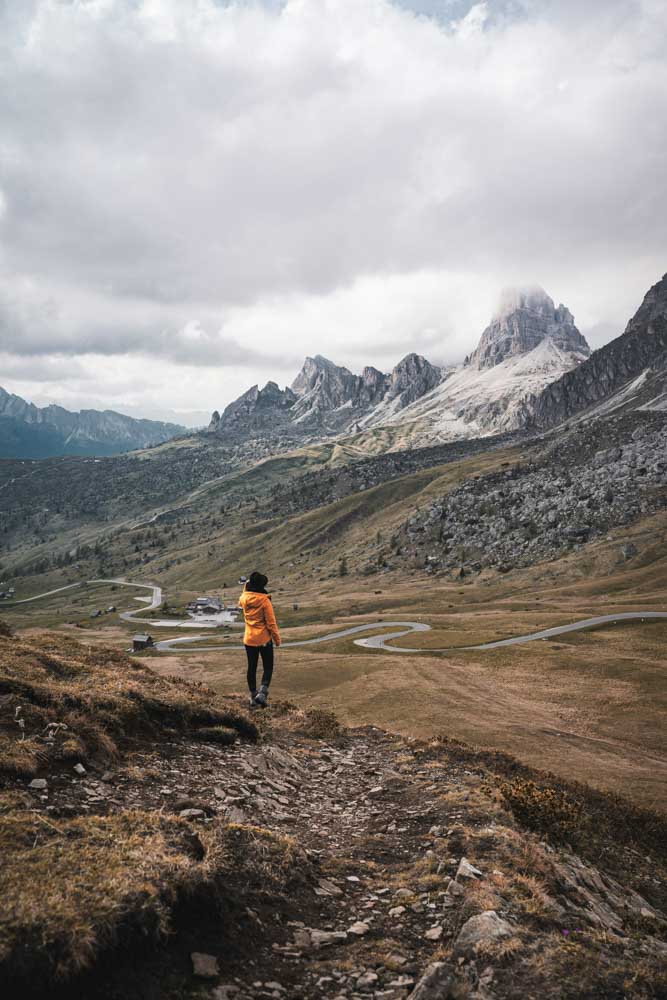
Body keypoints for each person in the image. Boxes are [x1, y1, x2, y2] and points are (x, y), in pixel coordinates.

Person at [238, 571, 281, 708]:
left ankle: (253, 696)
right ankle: (262, 694)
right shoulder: (264, 601)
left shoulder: (244, 598)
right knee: (268, 666)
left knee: (252, 667)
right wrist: (277, 639)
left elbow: (245, 590)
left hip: (249, 639)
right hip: (263, 640)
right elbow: (271, 623)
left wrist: (247, 584)